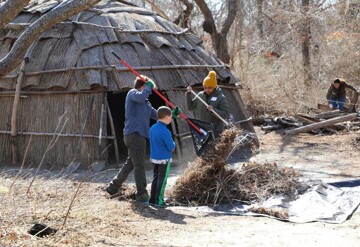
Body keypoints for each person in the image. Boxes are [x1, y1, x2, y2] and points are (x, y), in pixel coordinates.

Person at [105, 75, 157, 202]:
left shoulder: (146, 103)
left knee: (131, 163)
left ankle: (113, 186)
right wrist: (149, 87)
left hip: (138, 135)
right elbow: (141, 96)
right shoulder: (133, 93)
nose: (150, 92)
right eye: (148, 88)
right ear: (143, 86)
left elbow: (156, 115)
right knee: (139, 164)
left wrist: (170, 114)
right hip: (134, 134)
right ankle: (142, 193)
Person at [185, 71, 229, 135]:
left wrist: (213, 110)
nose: (206, 90)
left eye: (209, 88)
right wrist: (188, 94)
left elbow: (225, 114)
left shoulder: (221, 98)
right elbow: (190, 107)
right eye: (205, 87)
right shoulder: (200, 95)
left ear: (214, 87)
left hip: (216, 132)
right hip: (203, 131)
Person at [148, 106, 176, 207]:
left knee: (155, 178)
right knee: (162, 180)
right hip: (164, 159)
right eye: (171, 117)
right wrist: (174, 143)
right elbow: (171, 148)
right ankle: (159, 201)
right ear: (168, 117)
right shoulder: (165, 131)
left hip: (154, 158)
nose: (172, 119)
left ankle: (152, 199)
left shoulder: (152, 128)